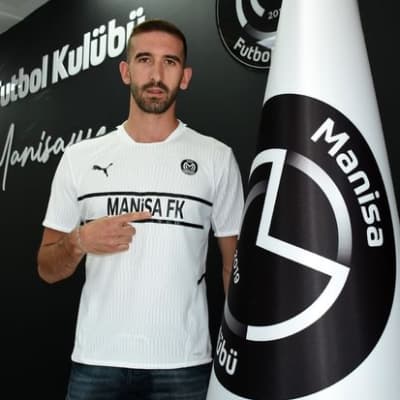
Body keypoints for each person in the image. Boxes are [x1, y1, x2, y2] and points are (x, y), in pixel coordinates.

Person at [37, 18, 244, 400]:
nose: (156, 74)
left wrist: (243, 347)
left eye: (170, 62)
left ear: (185, 77)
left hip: (184, 364)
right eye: (145, 59)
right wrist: (79, 241)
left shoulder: (216, 158)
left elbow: (234, 266)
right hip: (96, 361)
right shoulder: (79, 158)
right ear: (125, 71)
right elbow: (46, 269)